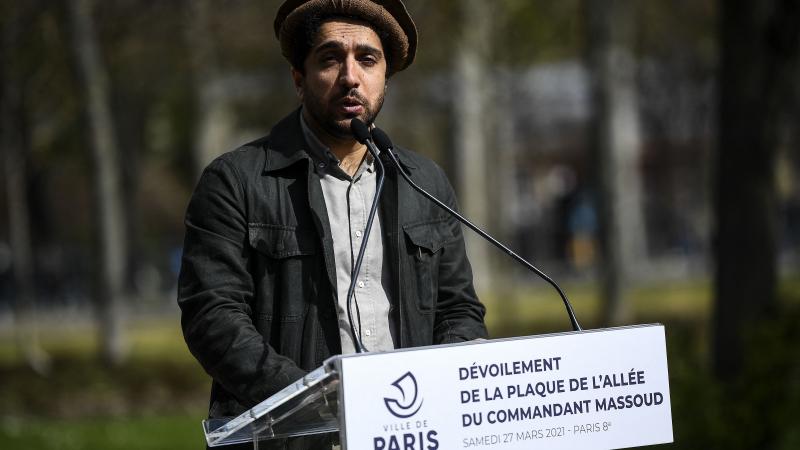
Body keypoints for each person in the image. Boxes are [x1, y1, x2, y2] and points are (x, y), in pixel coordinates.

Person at [178, 1, 488, 448]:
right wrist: (319, 402)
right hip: (290, 438)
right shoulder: (235, 182)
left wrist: (446, 387)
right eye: (329, 59)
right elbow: (213, 317)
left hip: (413, 432)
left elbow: (459, 310)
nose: (350, 77)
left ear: (385, 77)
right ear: (299, 80)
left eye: (367, 59)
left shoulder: (425, 183)